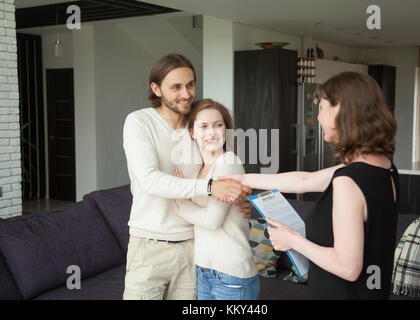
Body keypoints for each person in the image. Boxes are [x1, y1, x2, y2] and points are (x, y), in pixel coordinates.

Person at [220, 71, 399, 299]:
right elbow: (305, 181)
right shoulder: (384, 167)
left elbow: (348, 267)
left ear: (341, 110)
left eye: (322, 108)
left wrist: (292, 240)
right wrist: (243, 179)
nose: (318, 117)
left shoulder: (348, 181)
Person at [122, 54, 252, 300]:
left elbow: (221, 170)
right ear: (156, 88)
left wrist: (239, 198)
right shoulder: (139, 122)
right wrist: (212, 187)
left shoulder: (198, 126)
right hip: (149, 245)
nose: (186, 93)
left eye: (190, 85)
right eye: (176, 87)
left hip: (195, 246)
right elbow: (150, 180)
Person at [172, 98, 259, 300]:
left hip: (231, 275)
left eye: (218, 125)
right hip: (204, 272)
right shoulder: (198, 170)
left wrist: (181, 202)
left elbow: (212, 220)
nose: (211, 132)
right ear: (192, 132)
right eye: (203, 126)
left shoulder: (228, 162)